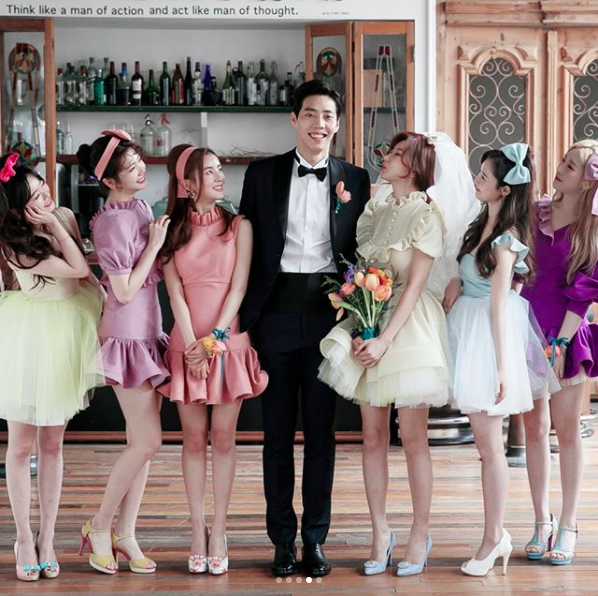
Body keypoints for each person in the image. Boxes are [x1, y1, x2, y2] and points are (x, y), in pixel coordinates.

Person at [319, 131, 476, 576]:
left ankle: (419, 534)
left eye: (396, 153)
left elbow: (414, 287)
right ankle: (380, 533)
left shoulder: (428, 214)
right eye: (389, 151)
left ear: (416, 166)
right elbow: (362, 270)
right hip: (370, 312)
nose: (385, 158)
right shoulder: (376, 207)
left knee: (411, 437)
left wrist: (385, 339)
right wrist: (361, 325)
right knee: (371, 437)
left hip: (409, 323)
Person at [239, 80, 370, 576]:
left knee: (321, 434)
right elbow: (246, 245)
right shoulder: (261, 174)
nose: (320, 124)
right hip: (272, 316)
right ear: (294, 119)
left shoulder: (355, 178)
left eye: (328, 116)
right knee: (275, 435)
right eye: (310, 114)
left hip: (326, 318)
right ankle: (281, 542)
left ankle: (315, 539)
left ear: (337, 124)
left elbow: (360, 251)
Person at [444, 143, 559, 576]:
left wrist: (499, 367)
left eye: (484, 176)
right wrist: (457, 281)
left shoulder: (507, 240)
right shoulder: (479, 225)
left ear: (504, 190)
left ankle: (494, 537)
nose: (476, 179)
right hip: (470, 325)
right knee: (485, 446)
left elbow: (497, 304)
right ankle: (497, 535)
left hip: (490, 336)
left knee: (490, 448)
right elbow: (471, 276)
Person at [158, 144, 268, 575]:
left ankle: (219, 529)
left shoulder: (240, 226)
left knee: (223, 439)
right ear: (187, 183)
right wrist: (191, 345)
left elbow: (238, 289)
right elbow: (175, 294)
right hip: (186, 346)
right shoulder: (170, 230)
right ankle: (197, 529)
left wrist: (212, 343)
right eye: (210, 171)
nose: (220, 176)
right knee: (192, 439)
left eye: (220, 169)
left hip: (227, 343)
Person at [0, 153, 103, 581]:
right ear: (18, 210)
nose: (46, 197)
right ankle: (24, 537)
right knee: (20, 446)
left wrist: (58, 222)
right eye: (34, 196)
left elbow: (84, 277)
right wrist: (56, 227)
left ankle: (48, 536)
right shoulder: (13, 242)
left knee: (54, 445)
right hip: (29, 338)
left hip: (66, 332)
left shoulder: (62, 216)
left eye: (44, 187)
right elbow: (76, 266)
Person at [77, 129, 170, 574]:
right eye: (131, 168)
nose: (141, 170)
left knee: (142, 444)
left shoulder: (137, 207)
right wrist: (154, 246)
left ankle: (126, 532)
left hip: (147, 331)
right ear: (111, 181)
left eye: (139, 162)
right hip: (126, 337)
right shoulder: (113, 222)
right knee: (149, 441)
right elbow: (125, 290)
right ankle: (99, 525)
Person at [520, 139, 598, 565]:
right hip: (525, 332)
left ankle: (569, 523)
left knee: (567, 432)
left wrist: (562, 344)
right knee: (534, 430)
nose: (560, 169)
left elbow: (583, 293)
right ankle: (541, 521)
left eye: (570, 166)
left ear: (587, 183)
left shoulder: (592, 229)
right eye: (563, 161)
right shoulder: (536, 212)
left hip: (566, 335)